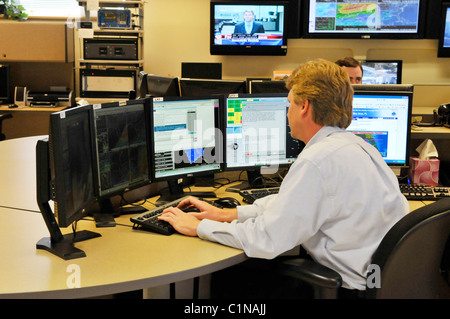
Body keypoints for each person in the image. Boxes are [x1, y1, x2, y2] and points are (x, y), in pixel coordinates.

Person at [158, 59, 408, 297]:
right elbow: (294, 203)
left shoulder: (317, 161)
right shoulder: (360, 147)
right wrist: (227, 215)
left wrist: (199, 227)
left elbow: (267, 240)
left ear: (304, 107)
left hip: (347, 287)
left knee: (230, 275)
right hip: (378, 279)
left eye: (289, 103)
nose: (287, 112)